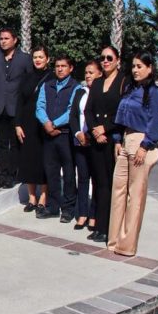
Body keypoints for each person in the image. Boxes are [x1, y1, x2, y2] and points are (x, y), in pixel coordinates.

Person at [109, 51, 158, 256]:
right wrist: (116, 139)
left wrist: (145, 146)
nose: (135, 70)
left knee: (135, 196)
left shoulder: (153, 93)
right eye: (133, 66)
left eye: (140, 66)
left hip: (141, 143)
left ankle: (127, 245)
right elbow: (120, 117)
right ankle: (113, 240)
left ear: (149, 68)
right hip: (124, 141)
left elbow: (154, 123)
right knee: (118, 191)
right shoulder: (130, 89)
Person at [0, 28, 33, 188]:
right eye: (1, 39)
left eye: (6, 38)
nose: (3, 41)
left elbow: (30, 84)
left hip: (16, 109)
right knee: (2, 143)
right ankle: (3, 175)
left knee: (15, 144)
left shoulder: (25, 59)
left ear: (15, 40)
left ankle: (13, 174)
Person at [84, 45, 124, 243]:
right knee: (99, 184)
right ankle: (99, 226)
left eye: (110, 57)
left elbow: (123, 112)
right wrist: (94, 130)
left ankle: (109, 228)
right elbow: (88, 111)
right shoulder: (98, 83)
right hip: (96, 141)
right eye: (103, 58)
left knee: (110, 185)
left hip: (112, 140)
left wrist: (105, 129)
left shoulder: (123, 82)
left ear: (117, 60)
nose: (106, 61)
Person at [36, 55, 82, 221]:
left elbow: (71, 111)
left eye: (63, 66)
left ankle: (68, 209)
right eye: (57, 66)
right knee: (51, 172)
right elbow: (39, 107)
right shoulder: (47, 85)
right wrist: (46, 124)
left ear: (70, 68)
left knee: (69, 173)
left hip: (65, 136)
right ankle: (53, 206)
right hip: (49, 136)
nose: (60, 69)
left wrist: (54, 124)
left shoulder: (76, 87)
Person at [15, 45, 52, 214]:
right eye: (35, 57)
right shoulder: (26, 77)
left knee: (43, 162)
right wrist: (17, 124)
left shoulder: (51, 77)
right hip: (27, 124)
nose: (37, 59)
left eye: (41, 57)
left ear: (48, 59)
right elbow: (19, 102)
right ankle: (32, 197)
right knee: (29, 161)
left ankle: (44, 197)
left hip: (44, 125)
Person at [69, 60, 103, 231]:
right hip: (79, 142)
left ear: (99, 74)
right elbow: (73, 116)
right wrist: (78, 133)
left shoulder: (101, 93)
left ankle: (94, 215)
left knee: (96, 180)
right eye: (86, 73)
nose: (88, 75)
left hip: (95, 143)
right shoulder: (80, 92)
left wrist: (90, 135)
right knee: (82, 179)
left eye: (92, 72)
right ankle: (82, 213)